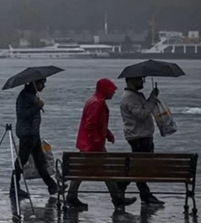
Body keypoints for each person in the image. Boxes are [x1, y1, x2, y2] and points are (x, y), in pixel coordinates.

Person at [66, 78, 138, 209]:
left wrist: (108, 134)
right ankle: (117, 199)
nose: (113, 93)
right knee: (105, 171)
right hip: (92, 146)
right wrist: (97, 141)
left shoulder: (97, 101)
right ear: (105, 90)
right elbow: (90, 126)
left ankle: (72, 196)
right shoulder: (96, 104)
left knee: (83, 170)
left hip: (90, 145)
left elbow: (98, 124)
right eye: (112, 90)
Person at [11, 78, 61, 198]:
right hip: (26, 134)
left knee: (40, 160)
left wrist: (37, 105)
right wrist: (37, 107)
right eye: (42, 83)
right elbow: (22, 115)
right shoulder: (24, 96)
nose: (43, 86)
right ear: (34, 83)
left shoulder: (31, 95)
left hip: (33, 133)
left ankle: (52, 186)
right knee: (21, 161)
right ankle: (13, 188)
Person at [118, 77, 164, 205]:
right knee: (140, 167)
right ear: (130, 81)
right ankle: (129, 188)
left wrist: (151, 98)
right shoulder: (130, 98)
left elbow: (143, 111)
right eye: (139, 80)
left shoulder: (135, 96)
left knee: (140, 166)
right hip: (138, 136)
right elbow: (141, 115)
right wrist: (152, 100)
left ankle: (138, 191)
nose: (142, 82)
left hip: (142, 135)